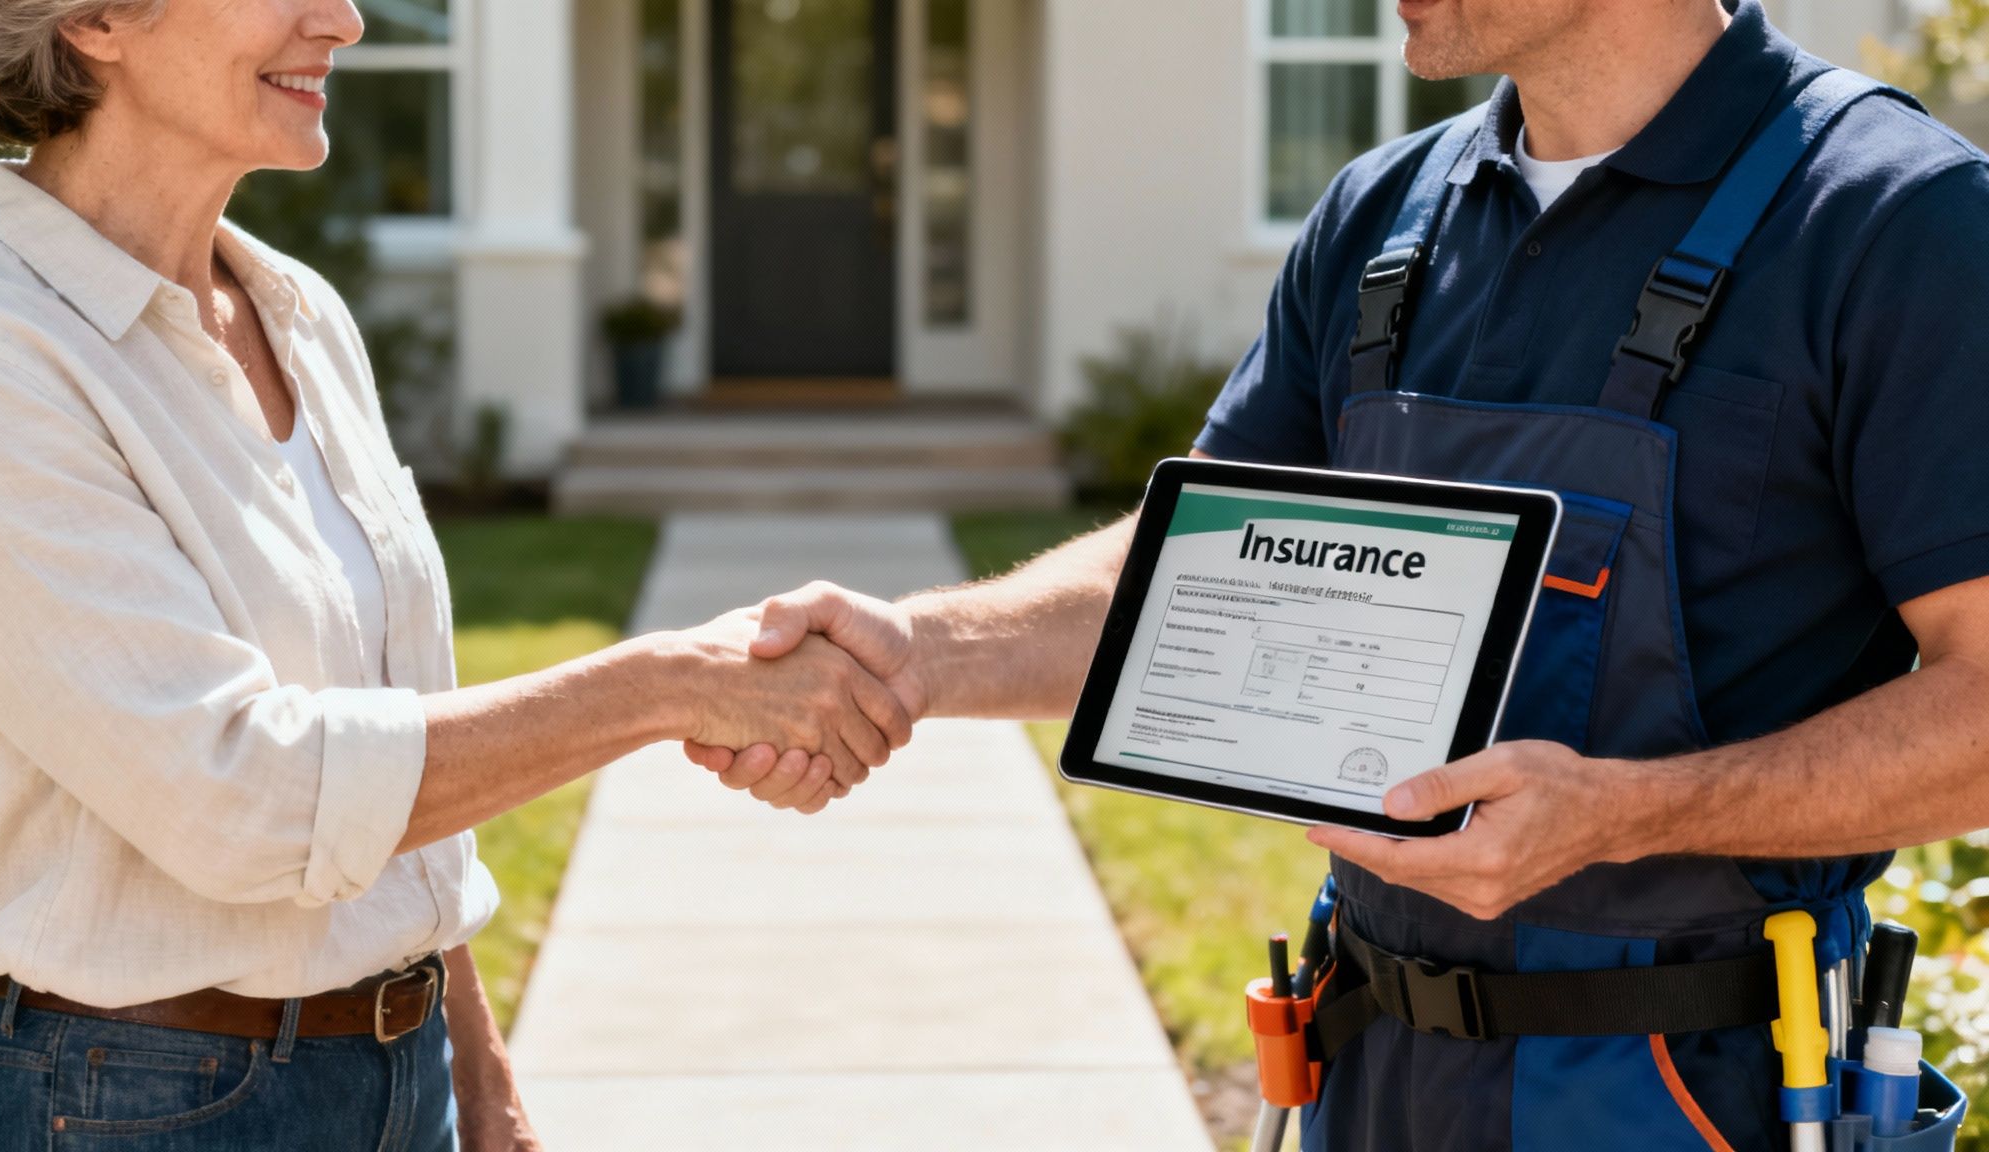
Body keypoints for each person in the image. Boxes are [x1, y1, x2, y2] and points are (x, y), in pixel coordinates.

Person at [696, 0, 1989, 1147]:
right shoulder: (1387, 217)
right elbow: (1198, 573)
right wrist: (913, 655)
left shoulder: (1892, 222)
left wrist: (1625, 812)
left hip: (1691, 1087)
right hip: (1367, 1061)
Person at [0, 2, 907, 1148]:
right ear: (95, 17)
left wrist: (472, 1058)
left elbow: (392, 739)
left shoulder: (298, 314)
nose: (343, 20)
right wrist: (664, 687)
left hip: (404, 1077)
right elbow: (245, 800)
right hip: (134, 1105)